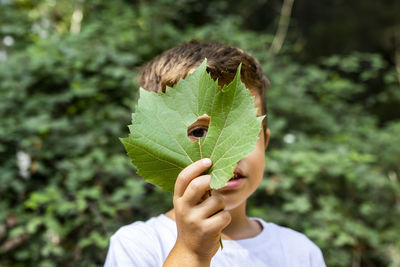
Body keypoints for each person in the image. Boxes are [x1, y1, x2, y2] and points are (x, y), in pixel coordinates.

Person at [104, 40, 326, 267]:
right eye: (198, 131)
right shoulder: (137, 245)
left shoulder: (301, 253)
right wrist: (191, 253)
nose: (224, 153)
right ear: (157, 148)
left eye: (242, 131)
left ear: (265, 140)